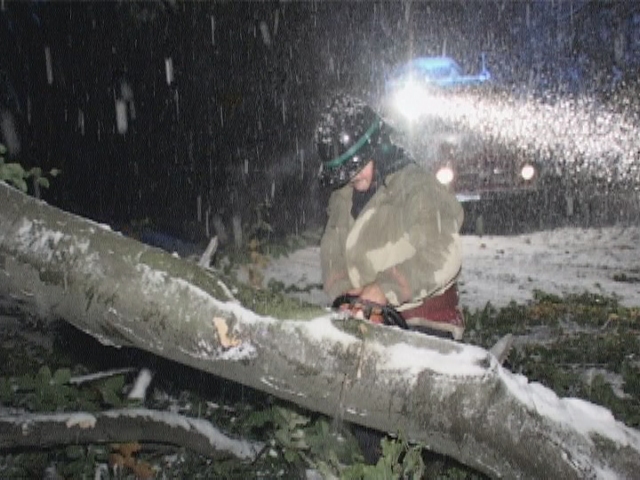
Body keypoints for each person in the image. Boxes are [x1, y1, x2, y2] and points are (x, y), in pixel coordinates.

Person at [316, 93, 466, 340]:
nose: (353, 176)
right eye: (345, 171)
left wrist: (387, 288)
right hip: (366, 322)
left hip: (423, 321)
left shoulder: (416, 187)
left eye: (358, 165)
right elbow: (331, 253)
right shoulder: (342, 197)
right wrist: (345, 296)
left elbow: (443, 253)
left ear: (376, 147)